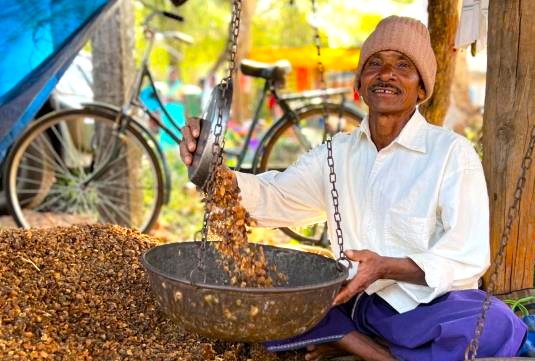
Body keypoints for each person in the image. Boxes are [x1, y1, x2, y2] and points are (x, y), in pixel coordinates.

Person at [179, 16, 527, 361]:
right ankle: (361, 341)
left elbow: (466, 255)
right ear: (359, 84)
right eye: (375, 64)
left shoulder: (451, 153)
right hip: (362, 305)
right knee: (277, 295)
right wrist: (210, 168)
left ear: (421, 88)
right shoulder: (336, 153)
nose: (386, 73)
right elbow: (275, 197)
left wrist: (386, 267)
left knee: (496, 324)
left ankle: (354, 344)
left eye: (403, 65)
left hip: (430, 308)